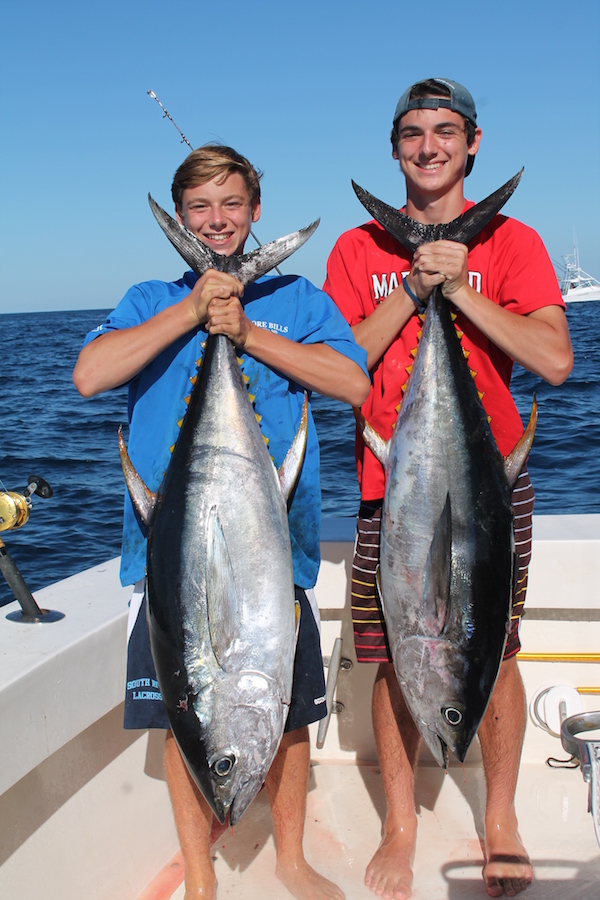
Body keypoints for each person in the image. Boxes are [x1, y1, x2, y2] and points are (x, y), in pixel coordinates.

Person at [73, 144, 370, 900]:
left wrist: (243, 333)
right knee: (185, 711)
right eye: (200, 208)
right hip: (168, 555)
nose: (217, 220)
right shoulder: (148, 297)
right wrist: (191, 310)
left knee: (291, 711)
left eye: (231, 204)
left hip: (276, 550)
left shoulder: (299, 298)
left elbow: (351, 381)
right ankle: (201, 874)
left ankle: (291, 858)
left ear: (255, 210)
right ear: (179, 217)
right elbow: (88, 375)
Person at [323, 78, 573, 900]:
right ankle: (401, 824)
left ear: (472, 145)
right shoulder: (359, 250)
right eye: (412, 134)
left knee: (494, 655)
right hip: (384, 489)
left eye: (445, 132)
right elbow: (336, 368)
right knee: (394, 657)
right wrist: (418, 293)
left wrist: (460, 287)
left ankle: (498, 819)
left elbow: (555, 361)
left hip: (488, 489)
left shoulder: (514, 242)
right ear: (393, 147)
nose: (428, 147)